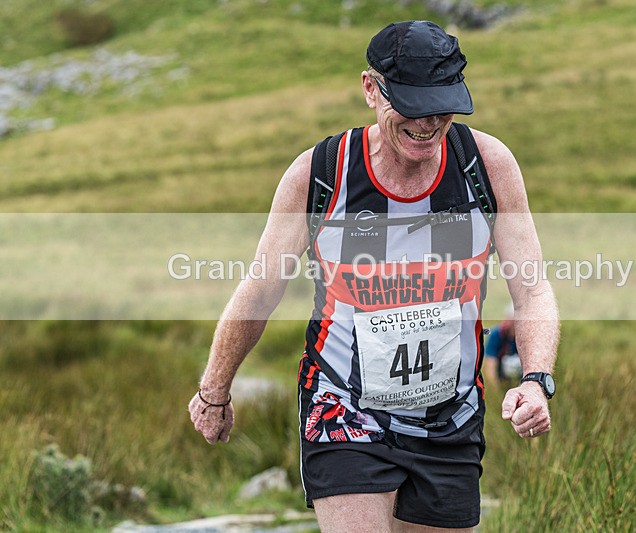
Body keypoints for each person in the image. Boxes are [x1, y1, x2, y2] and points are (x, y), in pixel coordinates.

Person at [189, 20, 559, 532]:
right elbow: (260, 291)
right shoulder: (321, 174)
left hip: (451, 416)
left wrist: (537, 380)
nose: (428, 123)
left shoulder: (486, 167)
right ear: (370, 89)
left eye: (441, 105)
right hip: (345, 406)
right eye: (410, 105)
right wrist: (215, 389)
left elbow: (533, 290)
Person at [483, 308, 522, 384]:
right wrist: (495, 389)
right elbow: (490, 365)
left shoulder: (528, 337)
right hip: (501, 378)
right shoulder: (497, 335)